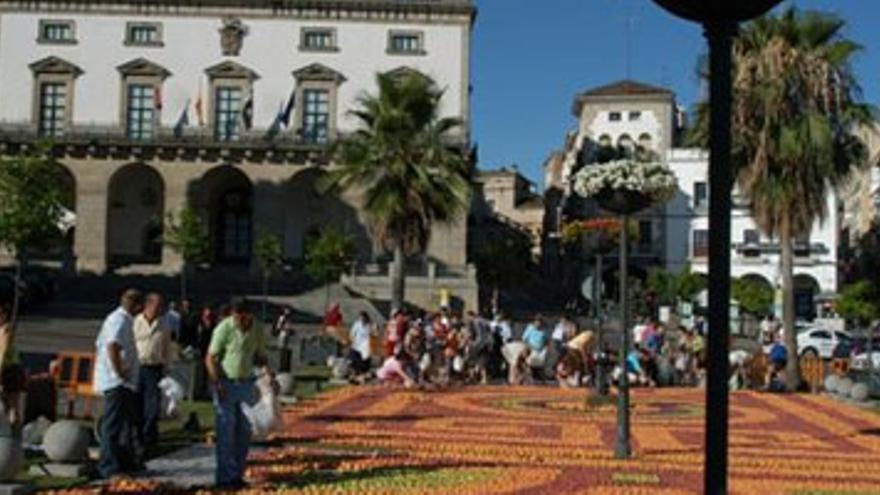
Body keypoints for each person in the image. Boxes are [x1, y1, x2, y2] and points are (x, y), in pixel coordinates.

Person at [205, 299, 275, 489]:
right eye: (235, 316)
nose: (237, 320)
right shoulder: (224, 328)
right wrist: (216, 381)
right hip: (226, 383)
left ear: (248, 315)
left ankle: (237, 474)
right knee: (226, 430)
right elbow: (211, 357)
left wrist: (269, 373)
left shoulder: (257, 328)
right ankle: (225, 478)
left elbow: (260, 355)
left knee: (244, 431)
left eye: (241, 317)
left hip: (246, 383)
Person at [94, 289, 144, 479]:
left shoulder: (123, 320)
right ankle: (108, 466)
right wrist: (119, 370)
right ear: (136, 305)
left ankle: (124, 460)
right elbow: (113, 345)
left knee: (125, 423)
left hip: (124, 381)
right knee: (112, 424)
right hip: (116, 381)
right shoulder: (119, 320)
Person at [133, 292, 173, 446]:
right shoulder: (136, 322)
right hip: (138, 366)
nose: (160, 309)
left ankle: (149, 435)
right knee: (136, 402)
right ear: (148, 305)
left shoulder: (163, 324)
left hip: (154, 368)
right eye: (157, 305)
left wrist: (167, 367)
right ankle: (137, 435)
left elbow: (167, 348)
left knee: (153, 404)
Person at [0, 302, 25, 431]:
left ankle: (14, 436)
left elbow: (3, 352)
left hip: (9, 369)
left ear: (4, 315)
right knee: (6, 406)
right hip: (6, 368)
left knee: (12, 407)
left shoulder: (5, 330)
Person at [348, 312, 373, 379]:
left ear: (366, 318)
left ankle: (362, 375)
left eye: (363, 318)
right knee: (353, 360)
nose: (362, 320)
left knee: (364, 363)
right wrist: (352, 340)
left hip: (365, 347)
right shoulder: (357, 324)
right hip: (356, 345)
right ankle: (354, 374)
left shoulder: (369, 326)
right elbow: (352, 334)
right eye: (360, 318)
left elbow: (373, 335)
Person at [272, 307, 296, 372]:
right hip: (282, 335)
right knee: (282, 350)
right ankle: (281, 366)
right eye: (287, 310)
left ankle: (284, 366)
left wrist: (290, 330)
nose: (289, 312)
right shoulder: (282, 318)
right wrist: (286, 329)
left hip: (286, 335)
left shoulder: (287, 319)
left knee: (285, 350)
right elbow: (279, 327)